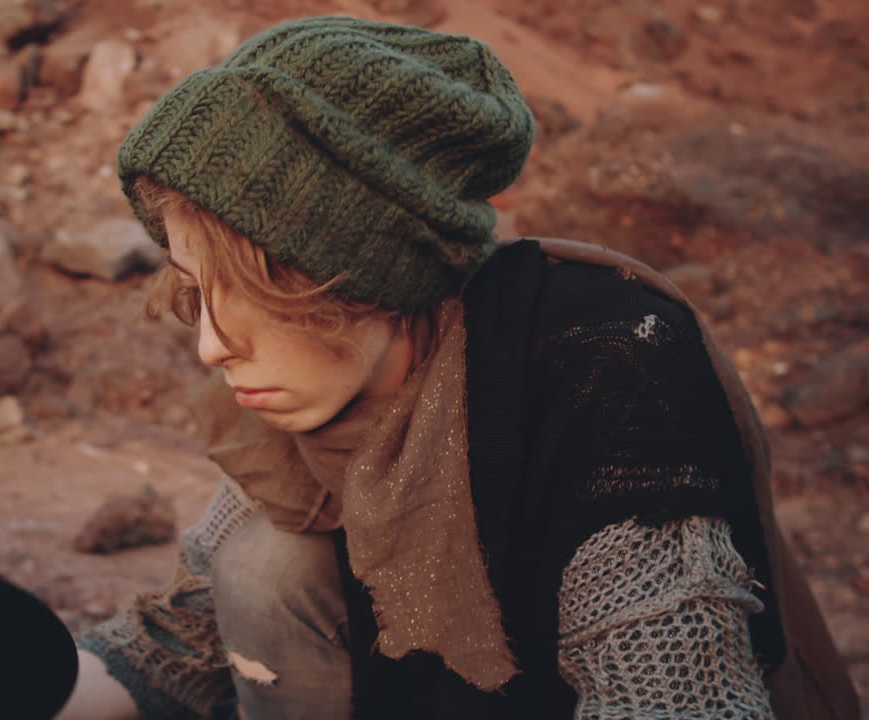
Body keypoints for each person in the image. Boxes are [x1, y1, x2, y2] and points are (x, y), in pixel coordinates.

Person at [55, 15, 858, 720]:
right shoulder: (323, 405)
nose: (212, 346)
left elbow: (669, 697)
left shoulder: (608, 363)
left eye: (258, 291)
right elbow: (181, 638)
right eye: (198, 294)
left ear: (367, 272)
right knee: (264, 558)